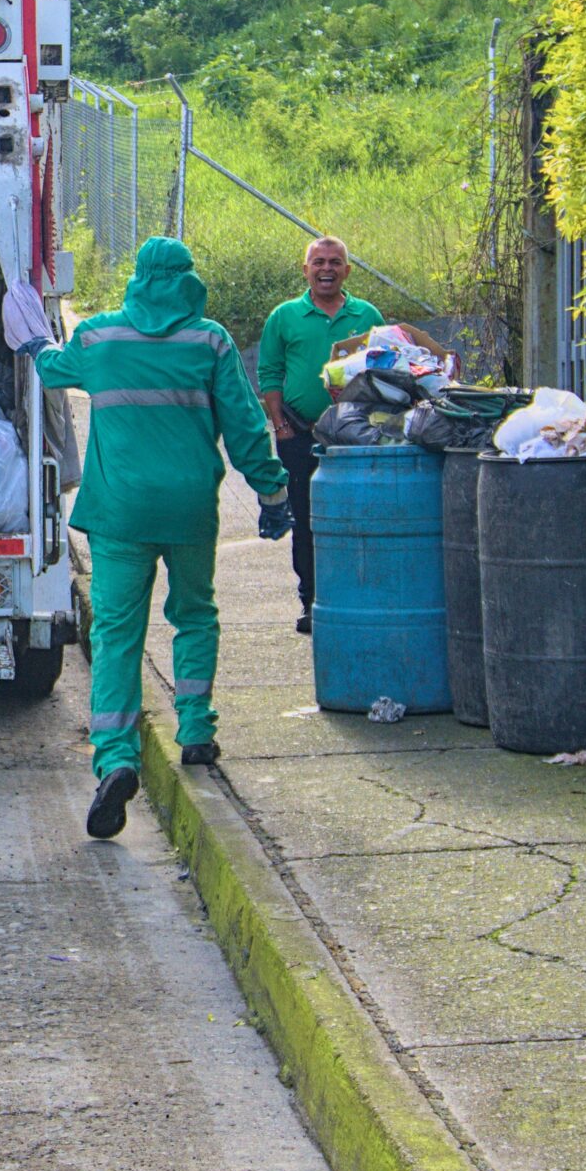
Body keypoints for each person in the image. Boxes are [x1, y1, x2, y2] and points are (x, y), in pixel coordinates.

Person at [30, 237, 291, 841]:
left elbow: (50, 367)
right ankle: (196, 728)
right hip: (190, 506)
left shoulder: (99, 338)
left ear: (138, 279)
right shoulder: (210, 340)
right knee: (195, 613)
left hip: (120, 512)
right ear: (188, 280)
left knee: (118, 634)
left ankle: (117, 759)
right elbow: (247, 425)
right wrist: (271, 494)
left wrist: (36, 340)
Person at [253, 237, 383, 633]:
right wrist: (280, 424)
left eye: (335, 262)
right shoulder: (285, 316)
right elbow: (269, 374)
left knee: (356, 516)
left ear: (347, 270)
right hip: (298, 433)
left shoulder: (367, 314)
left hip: (354, 435)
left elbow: (385, 368)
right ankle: (312, 601)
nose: (326, 269)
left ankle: (355, 597)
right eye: (318, 262)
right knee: (308, 520)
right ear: (305, 269)